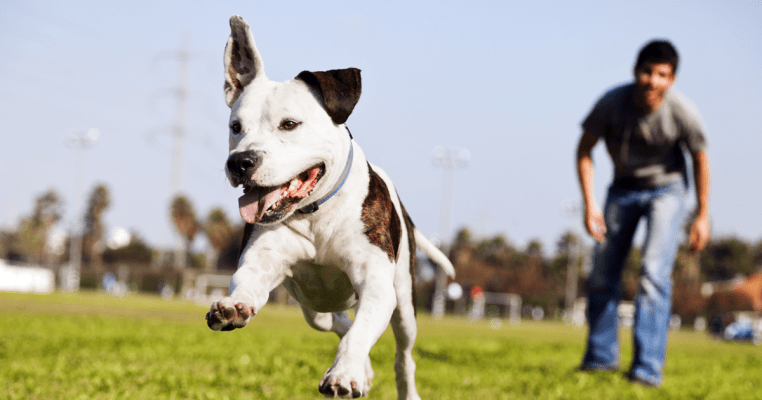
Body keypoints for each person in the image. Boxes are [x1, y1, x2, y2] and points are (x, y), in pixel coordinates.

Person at [575, 40, 710, 387]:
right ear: (636, 72)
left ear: (672, 80)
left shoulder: (682, 111)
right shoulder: (612, 103)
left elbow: (700, 159)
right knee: (604, 271)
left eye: (662, 75)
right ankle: (600, 360)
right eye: (647, 72)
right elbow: (584, 150)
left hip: (668, 191)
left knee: (653, 273)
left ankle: (647, 369)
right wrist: (590, 203)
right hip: (622, 188)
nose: (653, 81)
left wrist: (702, 214)